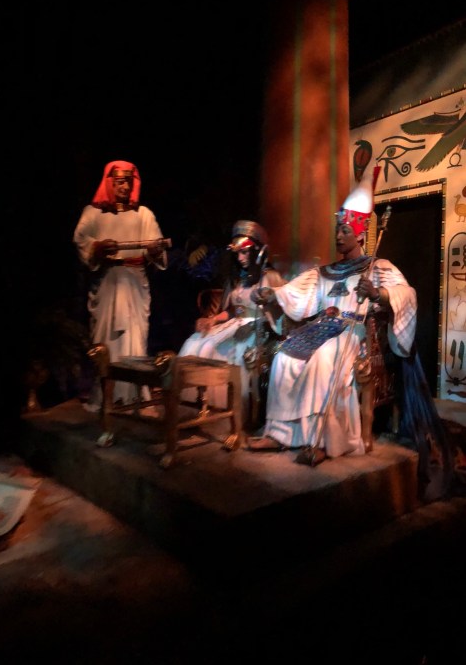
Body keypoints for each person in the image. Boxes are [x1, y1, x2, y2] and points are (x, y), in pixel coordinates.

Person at [247, 168, 418, 465]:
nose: (338, 235)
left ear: (360, 233)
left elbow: (407, 294)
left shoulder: (377, 267)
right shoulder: (324, 272)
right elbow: (293, 291)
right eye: (337, 229)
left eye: (345, 231)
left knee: (324, 359)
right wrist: (273, 295)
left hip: (354, 330)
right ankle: (280, 433)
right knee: (284, 358)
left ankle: (324, 440)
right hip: (323, 326)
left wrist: (378, 293)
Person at [73, 160, 168, 411]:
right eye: (119, 182)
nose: (124, 186)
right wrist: (97, 247)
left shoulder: (143, 214)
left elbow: (156, 246)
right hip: (107, 283)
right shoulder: (93, 213)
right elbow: (80, 239)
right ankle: (105, 396)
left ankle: (135, 396)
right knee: (105, 340)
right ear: (109, 183)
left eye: (128, 182)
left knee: (135, 339)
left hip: (135, 282)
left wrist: (155, 250)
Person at [178, 220, 286, 425]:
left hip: (258, 328)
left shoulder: (270, 277)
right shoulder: (238, 279)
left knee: (231, 351)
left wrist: (258, 324)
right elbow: (232, 310)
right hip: (234, 324)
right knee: (199, 343)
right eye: (237, 253)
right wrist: (212, 319)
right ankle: (202, 407)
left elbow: (278, 313)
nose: (240, 258)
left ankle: (233, 416)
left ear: (256, 252)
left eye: (244, 252)